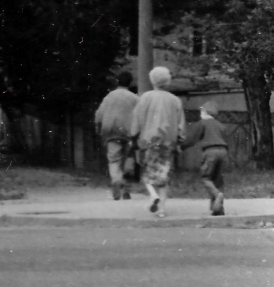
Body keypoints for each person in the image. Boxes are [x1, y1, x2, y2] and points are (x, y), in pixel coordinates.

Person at [129, 66, 186, 218]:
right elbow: (181, 124)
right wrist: (180, 140)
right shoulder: (175, 100)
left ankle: (153, 195)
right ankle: (162, 210)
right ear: (167, 81)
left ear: (152, 80)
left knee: (148, 173)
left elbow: (137, 119)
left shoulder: (145, 98)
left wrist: (133, 135)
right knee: (164, 175)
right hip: (168, 142)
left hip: (149, 141)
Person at [94, 69, 138, 200]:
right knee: (128, 160)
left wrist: (98, 126)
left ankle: (116, 180)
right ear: (130, 83)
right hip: (129, 133)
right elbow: (140, 116)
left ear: (117, 81)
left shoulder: (109, 97)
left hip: (111, 131)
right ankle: (125, 189)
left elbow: (99, 115)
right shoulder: (135, 98)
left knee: (114, 159)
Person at [181, 101, 229, 216]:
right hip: (223, 151)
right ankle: (218, 209)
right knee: (218, 180)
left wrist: (181, 146)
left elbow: (192, 139)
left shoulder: (202, 123)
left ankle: (217, 194)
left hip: (210, 152)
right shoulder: (220, 125)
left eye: (200, 112)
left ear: (204, 112)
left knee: (206, 177)